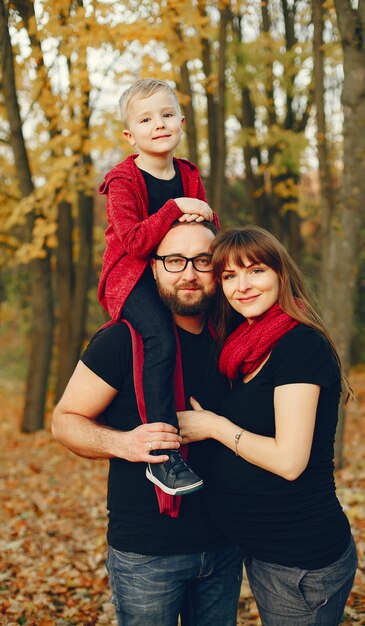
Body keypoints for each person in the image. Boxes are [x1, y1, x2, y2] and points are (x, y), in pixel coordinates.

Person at [52, 221, 243, 626]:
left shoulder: (234, 337)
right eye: (175, 261)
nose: (189, 274)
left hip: (226, 542)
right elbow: (64, 421)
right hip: (148, 554)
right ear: (153, 268)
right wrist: (125, 444)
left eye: (203, 261)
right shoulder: (122, 341)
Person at [178, 225, 358, 626]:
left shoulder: (299, 346)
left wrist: (213, 425)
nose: (242, 286)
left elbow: (289, 460)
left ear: (280, 273)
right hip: (265, 554)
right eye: (228, 275)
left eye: (255, 270)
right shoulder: (241, 344)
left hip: (301, 562)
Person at [98, 78, 220, 496]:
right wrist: (175, 209)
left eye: (167, 115)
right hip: (129, 277)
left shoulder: (188, 174)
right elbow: (131, 242)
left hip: (175, 272)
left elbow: (207, 226)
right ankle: (165, 456)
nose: (159, 124)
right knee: (160, 339)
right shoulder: (123, 181)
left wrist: (195, 217)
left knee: (220, 321)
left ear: (181, 122)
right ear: (130, 134)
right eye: (146, 119)